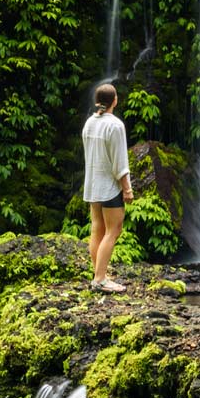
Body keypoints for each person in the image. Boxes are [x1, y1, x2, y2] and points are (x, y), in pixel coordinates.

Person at [82, 82, 134, 292]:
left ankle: (98, 273)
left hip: (93, 184)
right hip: (110, 186)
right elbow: (119, 162)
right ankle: (100, 279)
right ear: (115, 100)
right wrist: (127, 189)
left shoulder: (89, 123)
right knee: (113, 230)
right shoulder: (115, 125)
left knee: (97, 228)